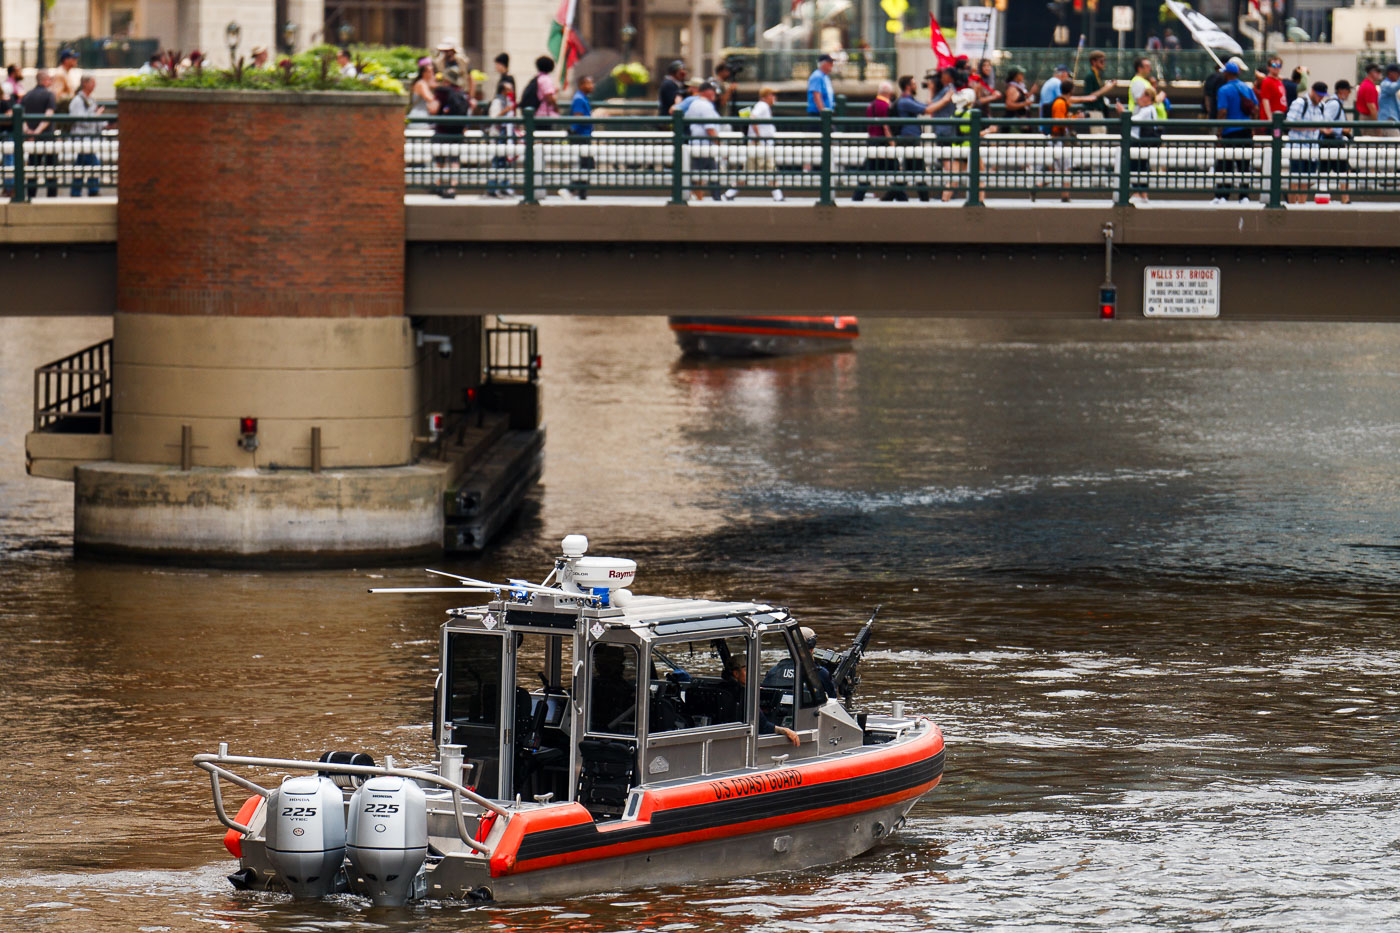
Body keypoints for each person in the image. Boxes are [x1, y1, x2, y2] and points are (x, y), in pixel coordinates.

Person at [724, 654, 799, 745]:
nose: (752, 673)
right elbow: (763, 726)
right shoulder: (743, 694)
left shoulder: (725, 689)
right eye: (747, 669)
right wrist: (785, 730)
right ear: (736, 673)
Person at [1212, 60, 1257, 204]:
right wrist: (1253, 128)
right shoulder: (1247, 88)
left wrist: (1219, 132)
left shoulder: (1224, 90)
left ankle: (1223, 195)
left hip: (1229, 132)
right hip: (1246, 131)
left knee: (1226, 164)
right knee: (1244, 164)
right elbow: (1255, 109)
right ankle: (1244, 196)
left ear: (1226, 73)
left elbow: (1222, 111)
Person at [1285, 81, 1328, 204]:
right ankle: (1292, 206)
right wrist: (1309, 127)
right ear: (1312, 91)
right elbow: (1289, 123)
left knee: (1306, 180)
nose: (1321, 98)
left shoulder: (1321, 106)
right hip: (1297, 146)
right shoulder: (1300, 103)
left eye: (1323, 95)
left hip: (1312, 147)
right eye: (1319, 95)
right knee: (1295, 179)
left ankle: (1302, 205)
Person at [20, 70, 58, 199]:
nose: (51, 82)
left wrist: (29, 131)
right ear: (45, 80)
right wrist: (38, 131)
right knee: (51, 168)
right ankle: (51, 196)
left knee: (33, 168)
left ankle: (31, 195)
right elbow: (48, 115)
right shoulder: (49, 95)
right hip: (47, 138)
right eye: (50, 79)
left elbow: (21, 117)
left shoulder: (27, 95)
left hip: (32, 139)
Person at [68, 75, 104, 197]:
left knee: (81, 165)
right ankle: (92, 190)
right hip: (82, 138)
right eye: (92, 82)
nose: (95, 85)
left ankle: (76, 191)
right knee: (94, 164)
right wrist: (96, 115)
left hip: (89, 139)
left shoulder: (90, 100)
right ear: (85, 83)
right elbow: (80, 120)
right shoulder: (78, 101)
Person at [1129, 85, 1167, 202]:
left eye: (1143, 95)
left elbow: (1133, 121)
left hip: (1139, 142)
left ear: (1148, 97)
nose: (1140, 98)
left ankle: (1137, 193)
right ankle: (1143, 193)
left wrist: (1122, 113)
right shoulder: (1151, 109)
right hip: (1144, 143)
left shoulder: (1146, 110)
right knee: (1142, 167)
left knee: (1136, 167)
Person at [746, 85, 783, 201]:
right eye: (772, 95)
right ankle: (778, 196)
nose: (774, 98)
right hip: (761, 145)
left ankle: (729, 194)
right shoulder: (762, 106)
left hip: (761, 144)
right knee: (770, 169)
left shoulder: (763, 106)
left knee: (748, 170)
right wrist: (758, 137)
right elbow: (753, 118)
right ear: (767, 96)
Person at [1324, 80, 1352, 203]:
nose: (1349, 93)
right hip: (1333, 142)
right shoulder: (1334, 104)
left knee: (1326, 172)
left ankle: (1345, 198)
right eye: (1348, 90)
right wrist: (1342, 129)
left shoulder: (1336, 103)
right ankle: (1345, 199)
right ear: (1342, 91)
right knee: (1344, 170)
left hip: (1333, 142)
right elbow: (1325, 121)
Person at [1079, 51, 1115, 123]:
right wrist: (1106, 88)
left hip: (1099, 111)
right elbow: (1089, 96)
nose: (1103, 64)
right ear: (1093, 62)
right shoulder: (1090, 76)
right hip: (1093, 111)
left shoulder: (1097, 75)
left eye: (1104, 61)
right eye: (1101, 61)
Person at [806, 53, 835, 130]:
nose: (832, 64)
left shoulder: (825, 76)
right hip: (818, 115)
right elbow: (817, 96)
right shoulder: (817, 76)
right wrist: (823, 114)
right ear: (823, 64)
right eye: (830, 63)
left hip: (825, 114)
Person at [1355, 63, 1382, 129]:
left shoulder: (1367, 84)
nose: (1380, 73)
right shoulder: (1368, 86)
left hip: (1367, 118)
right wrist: (1377, 126)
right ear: (1371, 72)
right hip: (1368, 118)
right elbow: (1372, 107)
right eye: (1378, 71)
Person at [1378, 64, 1400, 137]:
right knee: (1396, 144)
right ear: (1390, 73)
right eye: (1398, 73)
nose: (1398, 75)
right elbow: (1393, 88)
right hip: (1388, 121)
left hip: (1392, 121)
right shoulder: (1385, 84)